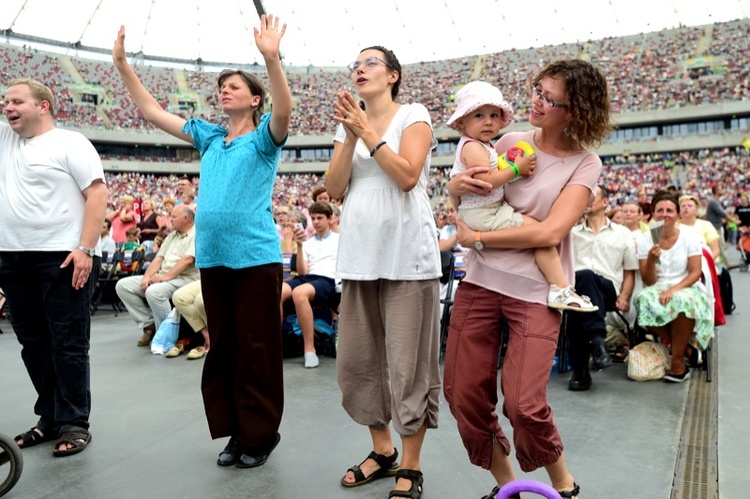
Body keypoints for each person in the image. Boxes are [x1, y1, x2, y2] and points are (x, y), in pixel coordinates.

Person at [113, 13, 291, 468]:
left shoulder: (264, 138)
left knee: (257, 349)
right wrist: (123, 67)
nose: (224, 90)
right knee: (223, 348)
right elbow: (153, 112)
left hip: (254, 258)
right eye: (221, 86)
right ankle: (235, 431)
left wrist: (270, 57)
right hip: (213, 259)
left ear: (254, 99)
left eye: (234, 86)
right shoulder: (210, 137)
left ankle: (260, 434)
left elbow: (285, 109)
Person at [443, 59, 614, 499]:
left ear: (575, 111)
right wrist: (453, 188)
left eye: (548, 98)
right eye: (537, 90)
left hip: (537, 292)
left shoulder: (586, 164)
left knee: (523, 404)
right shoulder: (509, 140)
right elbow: (472, 194)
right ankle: (510, 488)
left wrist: (478, 237)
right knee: (463, 396)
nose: (534, 101)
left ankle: (564, 486)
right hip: (480, 283)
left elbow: (551, 232)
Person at [326, 45, 441, 499]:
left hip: (407, 258)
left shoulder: (413, 113)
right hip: (359, 258)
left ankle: (411, 465)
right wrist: (352, 134)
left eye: (370, 62)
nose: (359, 68)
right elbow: (335, 188)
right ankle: (382, 449)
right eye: (355, 63)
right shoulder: (348, 125)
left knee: (407, 366)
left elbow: (407, 175)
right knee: (359, 361)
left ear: (393, 75)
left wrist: (368, 132)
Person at [0, 78, 108, 457]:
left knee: (68, 343)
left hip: (62, 256)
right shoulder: (5, 139)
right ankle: (49, 417)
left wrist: (85, 249)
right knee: (33, 343)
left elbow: (97, 193)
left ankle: (75, 422)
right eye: (4, 101)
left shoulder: (70, 142)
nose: (7, 107)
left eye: (16, 101)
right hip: (12, 257)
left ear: (43, 105)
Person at [446, 80, 595, 312]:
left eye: (494, 115)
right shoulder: (478, 146)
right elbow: (486, 182)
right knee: (538, 233)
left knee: (542, 235)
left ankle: (561, 288)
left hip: (486, 219)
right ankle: (561, 288)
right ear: (462, 121)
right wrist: (516, 170)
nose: (488, 121)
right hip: (485, 220)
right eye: (478, 116)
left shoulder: (489, 145)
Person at [635, 190, 714, 382]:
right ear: (653, 214)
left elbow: (695, 272)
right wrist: (652, 261)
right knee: (641, 300)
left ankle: (677, 361)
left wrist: (674, 289)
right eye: (660, 210)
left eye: (669, 210)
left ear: (678, 215)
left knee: (681, 300)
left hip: (686, 285)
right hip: (658, 286)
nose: (664, 214)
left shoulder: (689, 235)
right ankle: (686, 350)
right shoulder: (647, 239)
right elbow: (649, 280)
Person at [566, 184, 638, 391]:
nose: (586, 200)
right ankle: (596, 347)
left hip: (607, 291)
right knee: (579, 299)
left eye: (591, 197)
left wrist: (624, 296)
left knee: (588, 279)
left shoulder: (622, 233)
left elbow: (629, 271)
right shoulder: (571, 233)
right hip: (577, 292)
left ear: (605, 203)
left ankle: (581, 367)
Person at [115, 205, 200, 346]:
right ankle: (149, 326)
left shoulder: (196, 234)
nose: (169, 220)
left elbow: (188, 260)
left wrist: (165, 278)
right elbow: (158, 259)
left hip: (186, 279)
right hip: (165, 277)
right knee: (123, 286)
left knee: (154, 291)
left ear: (185, 218)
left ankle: (166, 336)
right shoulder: (172, 235)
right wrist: (147, 277)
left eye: (173, 217)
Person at [280, 201, 339, 368]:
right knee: (277, 291)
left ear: (330, 218)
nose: (316, 222)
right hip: (309, 278)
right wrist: (299, 246)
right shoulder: (307, 242)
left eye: (320, 218)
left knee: (299, 293)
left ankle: (309, 349)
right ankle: (275, 345)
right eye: (313, 218)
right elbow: (303, 272)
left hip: (328, 279)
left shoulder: (339, 239)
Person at [170, 279, 209, 360]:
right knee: (178, 297)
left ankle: (217, 337)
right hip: (210, 274)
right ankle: (207, 335)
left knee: (201, 301)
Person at [678, 194, 721, 260]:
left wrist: (704, 263)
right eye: (683, 206)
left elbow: (715, 250)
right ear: (679, 211)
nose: (686, 208)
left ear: (696, 211)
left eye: (690, 206)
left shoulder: (706, 225)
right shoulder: (674, 226)